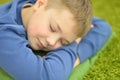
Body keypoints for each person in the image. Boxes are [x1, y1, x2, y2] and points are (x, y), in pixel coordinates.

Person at [0, 0, 112, 80]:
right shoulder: (3, 34)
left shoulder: (51, 10)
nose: (51, 42)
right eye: (52, 28)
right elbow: (48, 76)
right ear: (39, 4)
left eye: (63, 42)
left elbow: (102, 27)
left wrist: (76, 58)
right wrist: (73, 44)